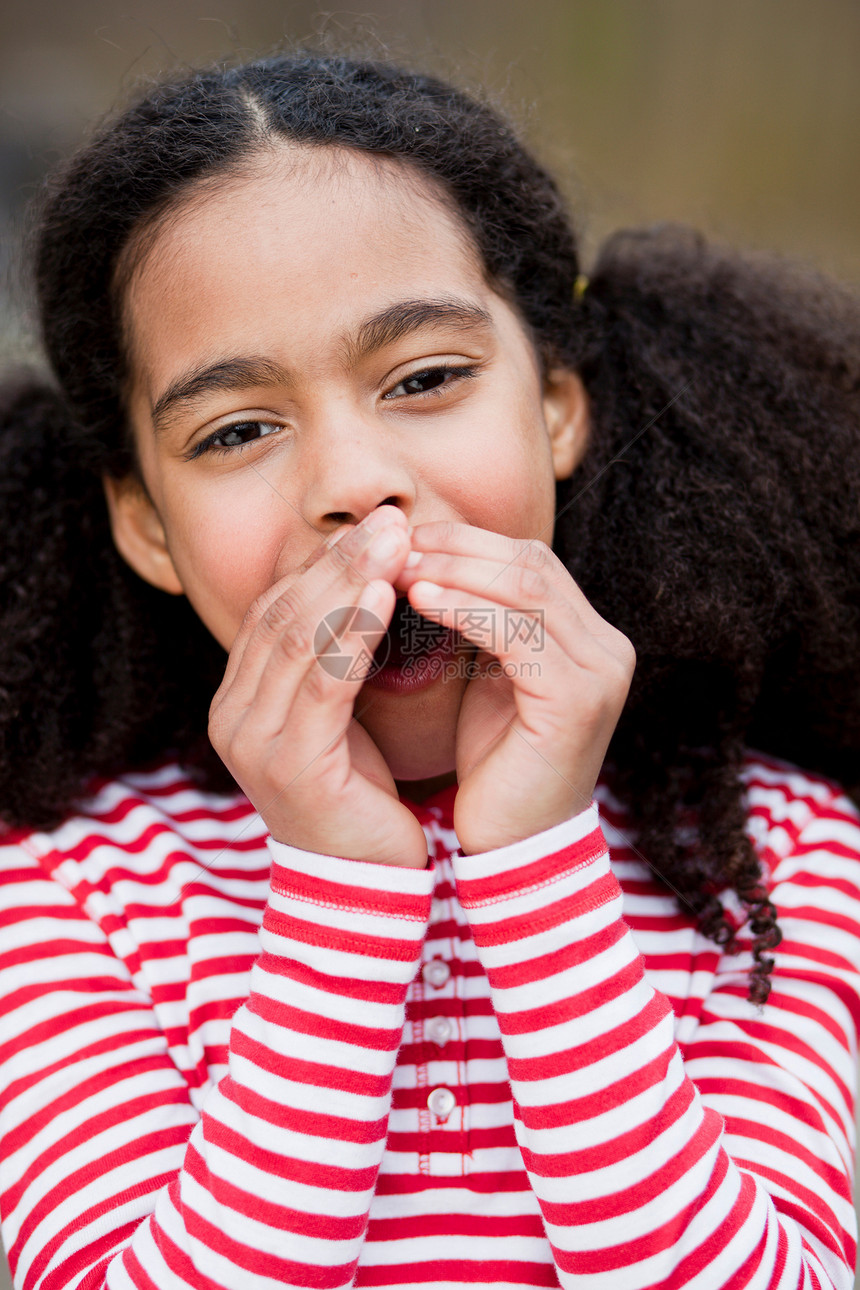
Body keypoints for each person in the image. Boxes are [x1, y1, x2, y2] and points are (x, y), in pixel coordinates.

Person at [1, 49, 859, 1290]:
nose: (354, 483)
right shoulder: (68, 895)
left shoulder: (785, 864)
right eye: (236, 430)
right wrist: (335, 889)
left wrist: (535, 863)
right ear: (146, 524)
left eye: (426, 378)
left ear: (556, 407)